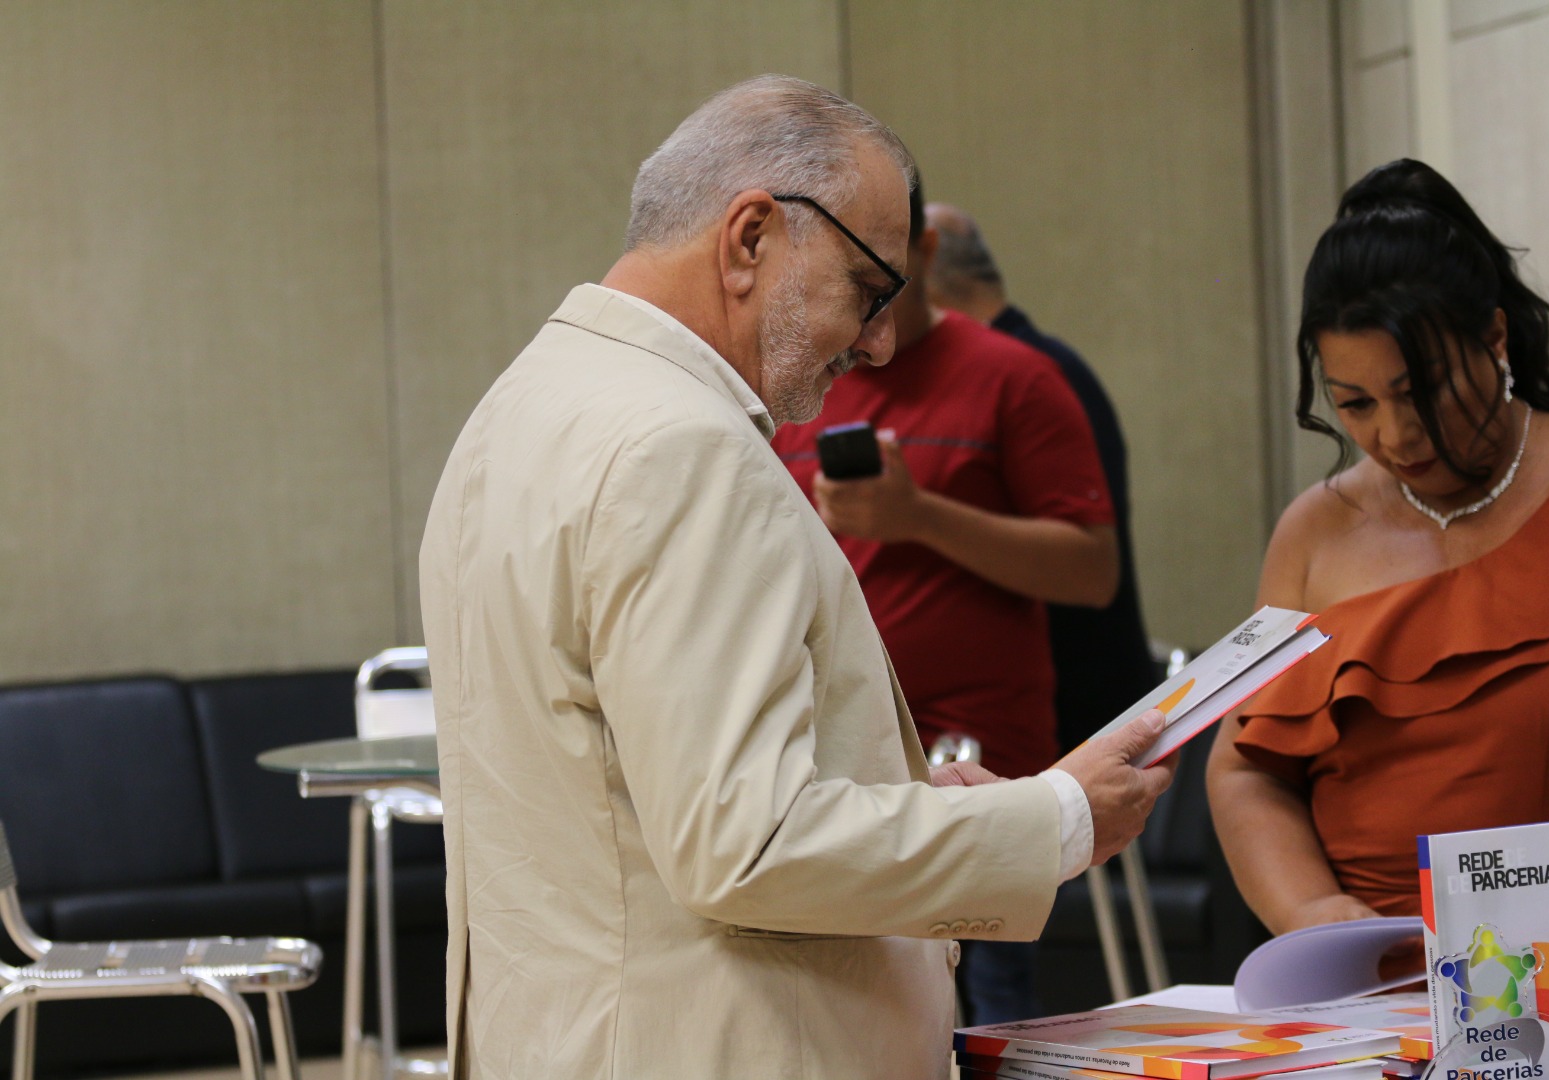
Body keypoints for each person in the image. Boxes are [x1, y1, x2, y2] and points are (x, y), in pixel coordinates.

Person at [418, 75, 1176, 1079]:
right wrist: (1054, 817)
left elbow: (628, 790)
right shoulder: (679, 448)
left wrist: (907, 798)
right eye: (870, 289)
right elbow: (748, 842)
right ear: (749, 239)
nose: (876, 342)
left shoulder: (519, 406)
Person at [1206, 158, 1549, 941]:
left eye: (1419, 391)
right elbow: (1245, 766)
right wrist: (1312, 916)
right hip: (1369, 983)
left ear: (1493, 338)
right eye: (1354, 404)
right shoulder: (1313, 532)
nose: (1394, 437)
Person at [772, 180, 1122, 1026]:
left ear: (926, 254)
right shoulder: (800, 383)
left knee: (995, 1010)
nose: (873, 327)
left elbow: (1091, 569)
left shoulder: (1016, 377)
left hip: (980, 751)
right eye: (854, 289)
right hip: (835, 761)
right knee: (858, 1008)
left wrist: (919, 518)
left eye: (886, 283)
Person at [925, 202, 1158, 748]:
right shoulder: (1039, 365)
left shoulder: (1028, 377)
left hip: (1072, 709)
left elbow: (1087, 565)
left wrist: (917, 515)